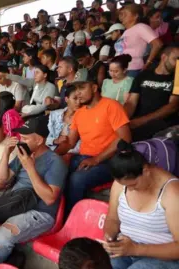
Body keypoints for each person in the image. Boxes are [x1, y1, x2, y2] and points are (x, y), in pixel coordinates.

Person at [0, 116, 68, 265]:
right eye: (20, 137)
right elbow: (2, 179)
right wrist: (6, 153)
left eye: (25, 138)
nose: (20, 141)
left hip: (40, 213)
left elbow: (49, 198)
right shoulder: (24, 154)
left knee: (2, 237)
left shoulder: (55, 162)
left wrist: (30, 168)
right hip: (14, 203)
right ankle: (6, 256)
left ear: (39, 140)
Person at [54, 79, 131, 214]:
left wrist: (96, 160)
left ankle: (70, 218)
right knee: (55, 169)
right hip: (84, 157)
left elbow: (125, 138)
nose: (78, 93)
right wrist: (53, 154)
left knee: (77, 179)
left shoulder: (111, 105)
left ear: (94, 87)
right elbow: (70, 142)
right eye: (76, 89)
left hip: (111, 160)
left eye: (82, 88)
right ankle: (53, 213)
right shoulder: (79, 113)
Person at [102, 141, 179, 268]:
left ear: (146, 170)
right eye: (125, 185)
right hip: (127, 250)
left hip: (165, 259)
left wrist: (136, 249)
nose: (130, 189)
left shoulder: (172, 192)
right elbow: (112, 219)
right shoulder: (121, 185)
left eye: (133, 184)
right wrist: (109, 236)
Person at [124, 46, 179, 141]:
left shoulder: (177, 78)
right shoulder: (143, 75)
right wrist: (123, 121)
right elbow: (131, 102)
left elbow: (173, 106)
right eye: (176, 59)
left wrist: (140, 121)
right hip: (137, 121)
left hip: (161, 124)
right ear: (164, 57)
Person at [116, 3, 163, 77]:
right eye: (121, 14)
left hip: (132, 69)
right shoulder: (126, 31)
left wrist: (148, 63)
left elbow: (158, 44)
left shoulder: (141, 27)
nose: (122, 16)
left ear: (135, 16)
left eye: (125, 14)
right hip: (121, 69)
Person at [46, 86, 81, 153]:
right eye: (75, 98)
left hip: (70, 154)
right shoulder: (55, 115)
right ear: (66, 99)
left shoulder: (82, 118)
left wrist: (69, 153)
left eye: (80, 99)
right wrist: (55, 140)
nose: (78, 102)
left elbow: (81, 143)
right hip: (52, 151)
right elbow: (48, 139)